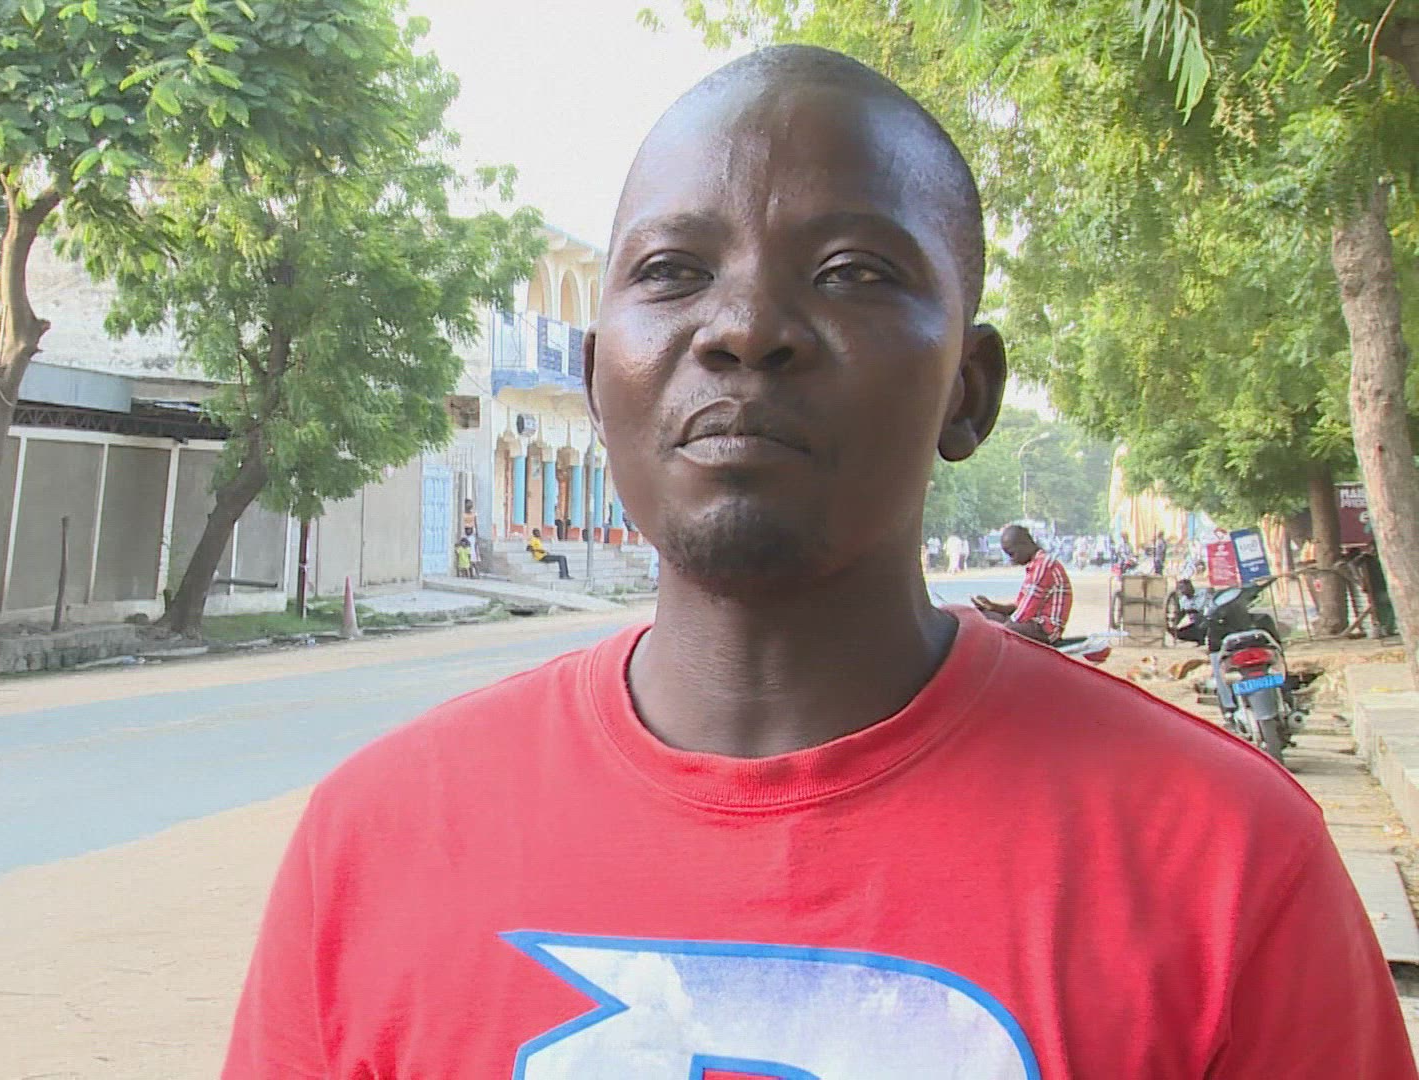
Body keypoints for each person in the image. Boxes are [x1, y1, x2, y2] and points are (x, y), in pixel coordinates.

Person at [226, 46, 1411, 1077]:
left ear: (969, 390)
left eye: (852, 272)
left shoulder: (1225, 864)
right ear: (594, 376)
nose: (745, 328)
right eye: (671, 272)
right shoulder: (375, 843)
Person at [971, 524, 1072, 644]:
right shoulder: (1035, 565)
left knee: (1000, 632)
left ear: (1024, 544)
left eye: (1012, 554)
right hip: (1031, 622)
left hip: (1045, 629)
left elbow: (1026, 611)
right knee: (982, 616)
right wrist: (992, 607)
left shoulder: (1043, 565)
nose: (1012, 559)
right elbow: (1019, 606)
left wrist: (1004, 627)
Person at [1169, 577, 1209, 645]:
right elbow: (1182, 613)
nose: (1181, 591)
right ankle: (1198, 638)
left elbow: (1199, 608)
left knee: (1199, 617)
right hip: (1194, 623)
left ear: (1190, 586)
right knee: (1175, 632)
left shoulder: (1203, 593)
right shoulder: (1183, 600)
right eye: (1180, 588)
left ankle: (1201, 637)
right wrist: (1174, 623)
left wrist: (1186, 611)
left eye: (1183, 588)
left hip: (1206, 621)